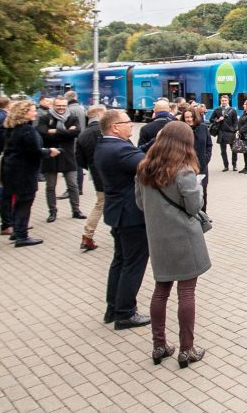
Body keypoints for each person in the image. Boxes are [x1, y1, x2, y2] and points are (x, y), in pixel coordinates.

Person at [135, 121, 210, 368]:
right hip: (184, 238)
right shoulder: (184, 171)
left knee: (161, 290)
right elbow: (194, 207)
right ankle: (187, 349)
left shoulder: (143, 168)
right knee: (186, 292)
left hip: (157, 237)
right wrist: (197, 187)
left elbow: (140, 204)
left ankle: (159, 345)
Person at [94, 109, 151, 330]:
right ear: (114, 127)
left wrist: (151, 143)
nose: (131, 126)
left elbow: (136, 154)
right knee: (133, 264)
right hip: (131, 215)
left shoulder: (105, 145)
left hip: (117, 212)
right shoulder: (119, 149)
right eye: (127, 122)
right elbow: (148, 166)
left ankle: (113, 307)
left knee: (120, 261)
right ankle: (126, 313)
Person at [0, 101, 59, 246]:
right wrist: (50, 152)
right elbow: (34, 151)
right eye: (32, 110)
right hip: (24, 172)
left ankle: (16, 231)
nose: (35, 113)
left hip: (10, 170)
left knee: (18, 201)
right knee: (24, 203)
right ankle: (22, 235)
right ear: (23, 113)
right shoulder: (27, 130)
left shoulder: (10, 128)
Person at [37, 96, 84, 222]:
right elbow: (42, 134)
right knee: (51, 186)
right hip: (50, 155)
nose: (61, 108)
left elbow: (76, 133)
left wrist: (54, 131)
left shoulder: (72, 118)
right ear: (53, 105)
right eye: (58, 105)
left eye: (63, 105)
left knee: (73, 185)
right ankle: (52, 212)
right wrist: (65, 132)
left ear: (67, 106)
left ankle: (76, 210)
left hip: (68, 155)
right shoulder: (44, 118)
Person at [76, 104, 107, 251]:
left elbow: (80, 161)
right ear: (100, 114)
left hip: (96, 175)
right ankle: (87, 235)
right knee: (103, 204)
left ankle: (88, 235)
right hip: (112, 175)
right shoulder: (105, 130)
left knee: (101, 203)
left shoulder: (83, 134)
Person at [180, 107, 212, 212]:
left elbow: (209, 145)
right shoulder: (181, 129)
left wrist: (206, 158)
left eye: (191, 117)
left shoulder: (203, 128)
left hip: (202, 166)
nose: (189, 119)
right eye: (186, 117)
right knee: (188, 191)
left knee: (203, 191)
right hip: (186, 168)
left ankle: (203, 214)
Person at [64, 90, 87, 197]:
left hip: (72, 141)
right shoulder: (82, 109)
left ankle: (74, 189)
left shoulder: (68, 110)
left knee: (74, 166)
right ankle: (79, 188)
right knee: (79, 165)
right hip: (81, 139)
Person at [211, 95, 238, 172]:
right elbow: (211, 119)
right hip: (221, 133)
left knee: (234, 150)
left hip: (230, 133)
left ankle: (234, 165)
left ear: (228, 101)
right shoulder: (217, 110)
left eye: (225, 100)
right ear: (220, 101)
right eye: (222, 100)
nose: (224, 102)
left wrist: (234, 130)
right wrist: (218, 120)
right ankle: (226, 166)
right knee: (223, 151)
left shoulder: (232, 110)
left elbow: (236, 122)